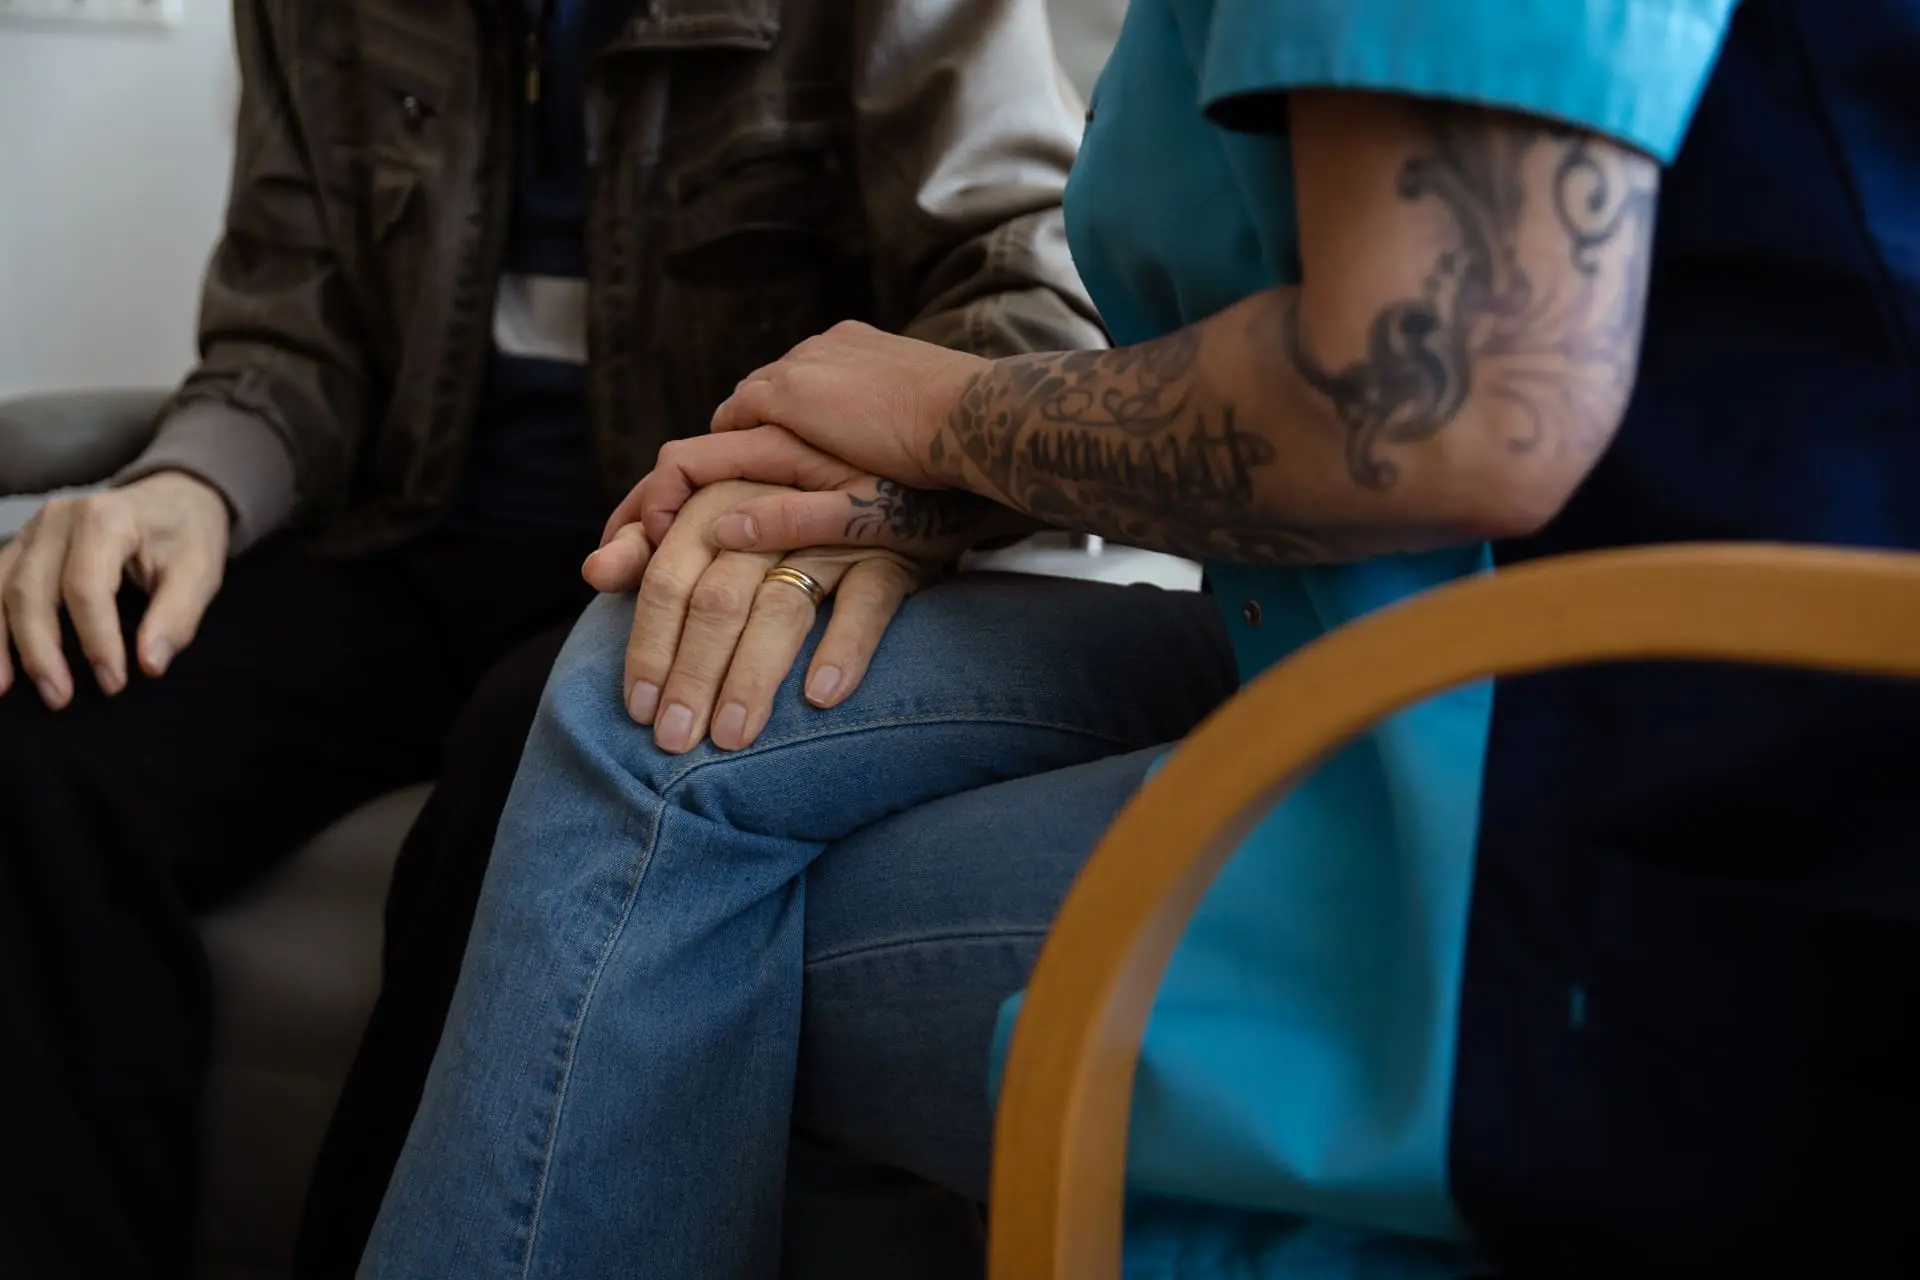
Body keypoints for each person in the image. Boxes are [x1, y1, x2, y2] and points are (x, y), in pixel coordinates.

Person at [364, 0, 1920, 1275]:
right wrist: (938, 478)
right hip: (1366, 645)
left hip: (1630, 790)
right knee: (658, 696)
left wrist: (954, 413)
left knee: (671, 965)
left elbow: (1447, 404)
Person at [0, 0, 1102, 1275]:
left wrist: (865, 505)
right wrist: (186, 482)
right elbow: (290, 342)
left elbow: (1027, 286)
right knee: (41, 729)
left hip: (692, 548)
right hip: (402, 532)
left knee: (537, 754)